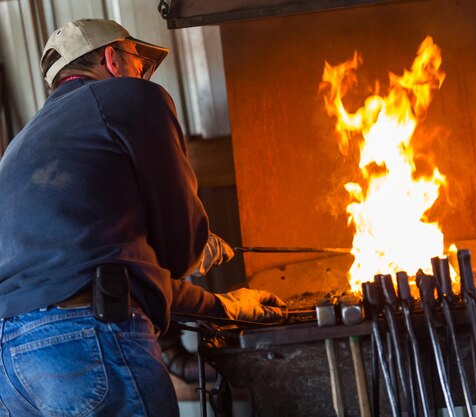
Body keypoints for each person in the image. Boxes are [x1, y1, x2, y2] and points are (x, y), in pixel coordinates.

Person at [0, 18, 287, 417]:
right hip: (87, 342)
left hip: (12, 366)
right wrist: (199, 245)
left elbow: (115, 278)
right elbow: (178, 252)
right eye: (139, 62)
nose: (143, 74)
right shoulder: (131, 97)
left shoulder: (19, 147)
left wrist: (225, 306)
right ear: (112, 59)